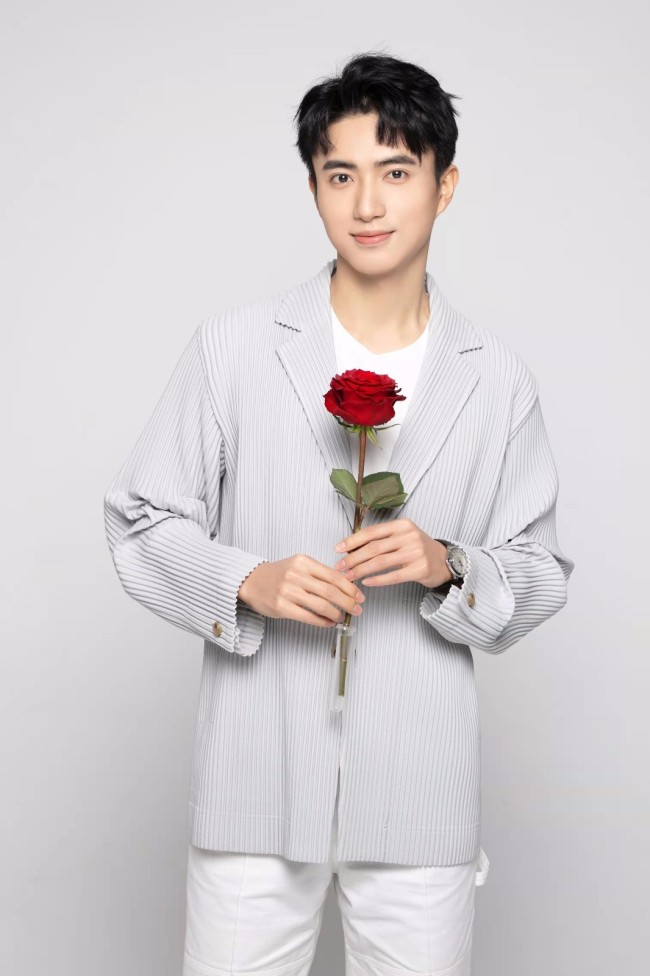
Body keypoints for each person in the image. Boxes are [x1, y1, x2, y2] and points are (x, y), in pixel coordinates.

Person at [103, 51, 574, 976]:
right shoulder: (234, 348)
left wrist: (448, 564)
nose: (367, 204)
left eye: (396, 173)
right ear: (314, 188)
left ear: (444, 187)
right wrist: (249, 579)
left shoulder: (498, 380)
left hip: (419, 791)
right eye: (340, 175)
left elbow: (540, 572)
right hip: (254, 780)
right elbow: (139, 518)